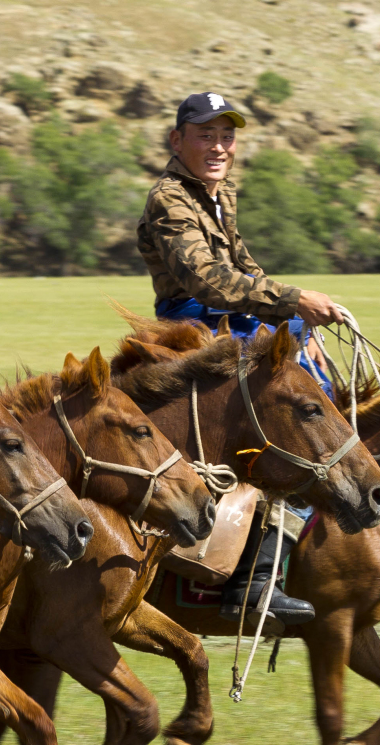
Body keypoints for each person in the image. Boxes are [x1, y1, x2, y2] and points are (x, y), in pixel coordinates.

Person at [135, 91, 344, 627]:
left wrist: (292, 325)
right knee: (285, 424)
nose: (219, 146)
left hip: (233, 319)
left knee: (322, 380)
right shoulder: (169, 199)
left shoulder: (219, 195)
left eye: (227, 136)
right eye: (206, 135)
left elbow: (245, 268)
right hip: (196, 325)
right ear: (177, 139)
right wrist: (292, 301)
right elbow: (205, 279)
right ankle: (254, 578)